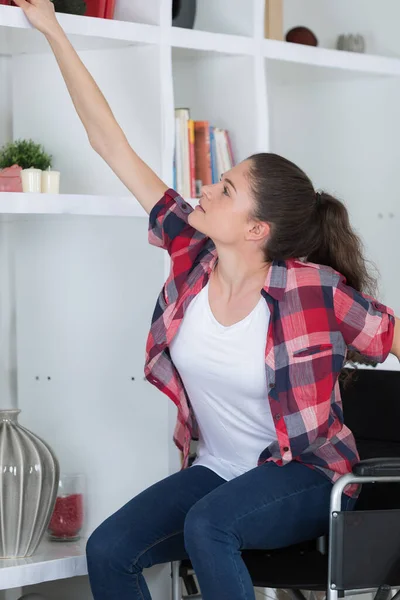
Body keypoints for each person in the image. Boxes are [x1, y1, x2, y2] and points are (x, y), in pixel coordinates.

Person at [15, 2, 400, 599]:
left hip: (305, 475)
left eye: (225, 189)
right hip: (217, 471)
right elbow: (110, 144)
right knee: (109, 550)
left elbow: (392, 336)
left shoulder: (312, 291)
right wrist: (52, 28)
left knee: (210, 526)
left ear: (257, 230)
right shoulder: (192, 253)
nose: (205, 189)